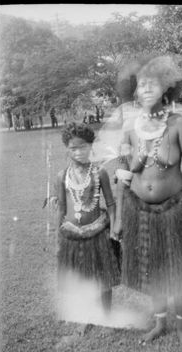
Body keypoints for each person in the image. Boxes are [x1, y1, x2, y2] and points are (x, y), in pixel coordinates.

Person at [113, 55, 182, 344]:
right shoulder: (130, 128)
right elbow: (123, 175)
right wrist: (120, 217)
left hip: (176, 208)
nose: (146, 89)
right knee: (153, 267)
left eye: (153, 84)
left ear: (166, 90)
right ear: (134, 91)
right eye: (141, 85)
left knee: (180, 268)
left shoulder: (178, 123)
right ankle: (160, 324)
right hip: (140, 210)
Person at [55, 122, 120, 314]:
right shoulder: (62, 176)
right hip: (72, 234)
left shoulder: (99, 172)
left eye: (83, 146)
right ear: (67, 148)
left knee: (103, 277)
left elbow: (110, 203)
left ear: (91, 146)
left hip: (98, 232)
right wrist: (60, 235)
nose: (78, 152)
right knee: (79, 278)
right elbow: (62, 207)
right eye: (73, 148)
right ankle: (86, 317)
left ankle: (106, 315)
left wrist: (115, 226)